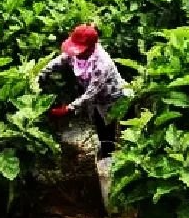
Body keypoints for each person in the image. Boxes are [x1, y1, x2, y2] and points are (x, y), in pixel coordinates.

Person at [38, 24, 128, 159]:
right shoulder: (76, 55)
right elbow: (60, 60)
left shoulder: (102, 64)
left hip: (114, 97)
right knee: (101, 127)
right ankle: (107, 155)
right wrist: (41, 74)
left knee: (120, 129)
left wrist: (68, 109)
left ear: (91, 49)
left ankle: (117, 159)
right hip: (97, 101)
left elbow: (90, 93)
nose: (77, 54)